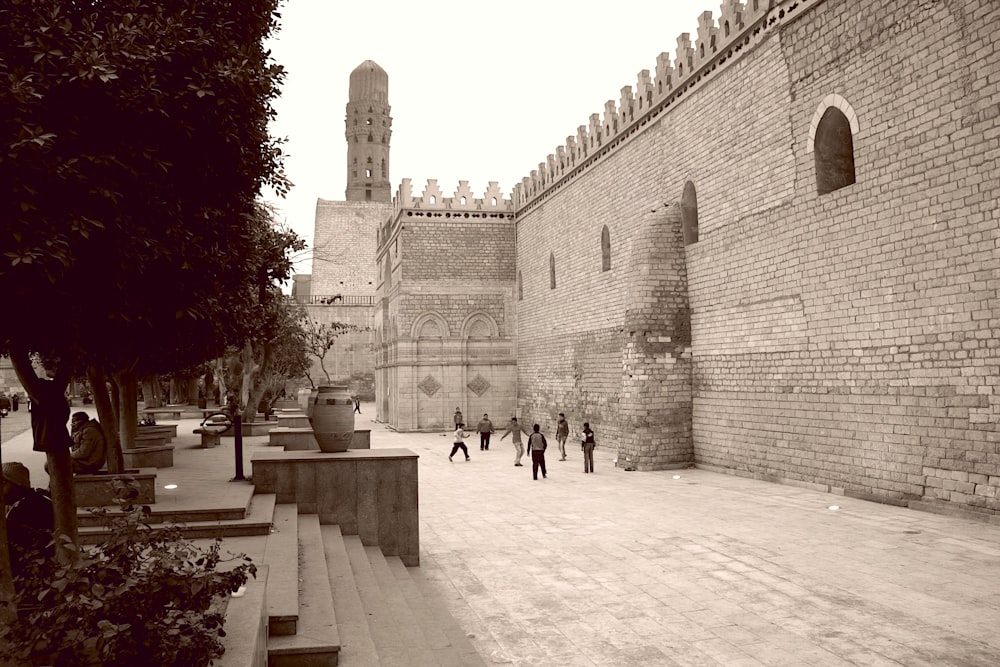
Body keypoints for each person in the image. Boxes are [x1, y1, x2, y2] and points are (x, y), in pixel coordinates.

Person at [3, 462, 55, 580]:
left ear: (18, 485)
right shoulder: (20, 503)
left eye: (4, 482)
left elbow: (34, 541)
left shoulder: (32, 505)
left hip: (34, 571)